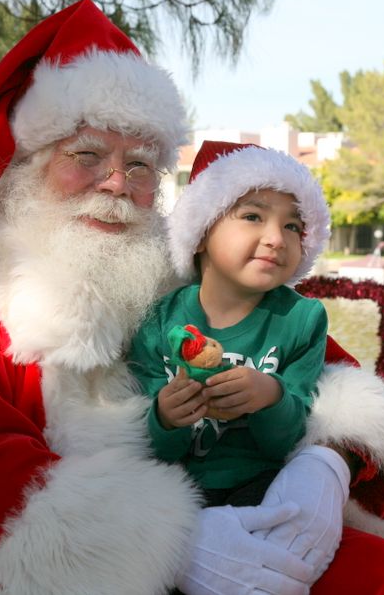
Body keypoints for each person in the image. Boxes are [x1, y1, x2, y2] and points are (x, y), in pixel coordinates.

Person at [0, 0, 384, 594]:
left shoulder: (164, 265)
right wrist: (179, 548)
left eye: (140, 165)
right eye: (86, 155)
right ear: (27, 160)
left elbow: (318, 368)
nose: (116, 184)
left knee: (373, 574)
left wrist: (326, 466)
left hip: (210, 506)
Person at [129, 140, 336, 509]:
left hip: (264, 486)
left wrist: (271, 396)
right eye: (253, 217)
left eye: (292, 225)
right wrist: (165, 416)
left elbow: (291, 440)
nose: (276, 239)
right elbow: (150, 445)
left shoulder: (302, 320)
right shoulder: (158, 319)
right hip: (171, 489)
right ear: (200, 232)